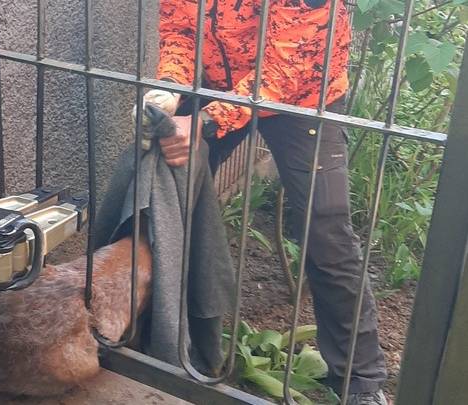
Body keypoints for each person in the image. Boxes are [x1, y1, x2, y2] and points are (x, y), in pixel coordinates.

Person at [149, 0, 388, 404]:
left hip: (303, 92)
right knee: (161, 181)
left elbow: (290, 62)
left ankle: (361, 382)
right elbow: (180, 28)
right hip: (216, 83)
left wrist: (206, 122)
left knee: (326, 228)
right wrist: (169, 90)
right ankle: (160, 339)